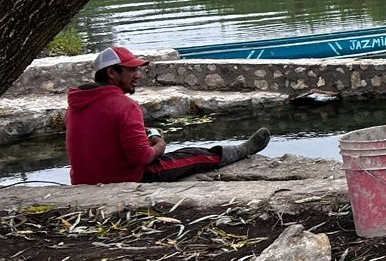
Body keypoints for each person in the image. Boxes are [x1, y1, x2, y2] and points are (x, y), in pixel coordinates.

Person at [66, 47, 270, 184]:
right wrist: (159, 144)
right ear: (112, 72)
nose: (137, 75)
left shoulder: (75, 105)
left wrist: (142, 134)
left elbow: (102, 135)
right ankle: (242, 150)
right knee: (193, 155)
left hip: (84, 180)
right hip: (126, 177)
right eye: (131, 70)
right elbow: (141, 157)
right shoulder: (125, 105)